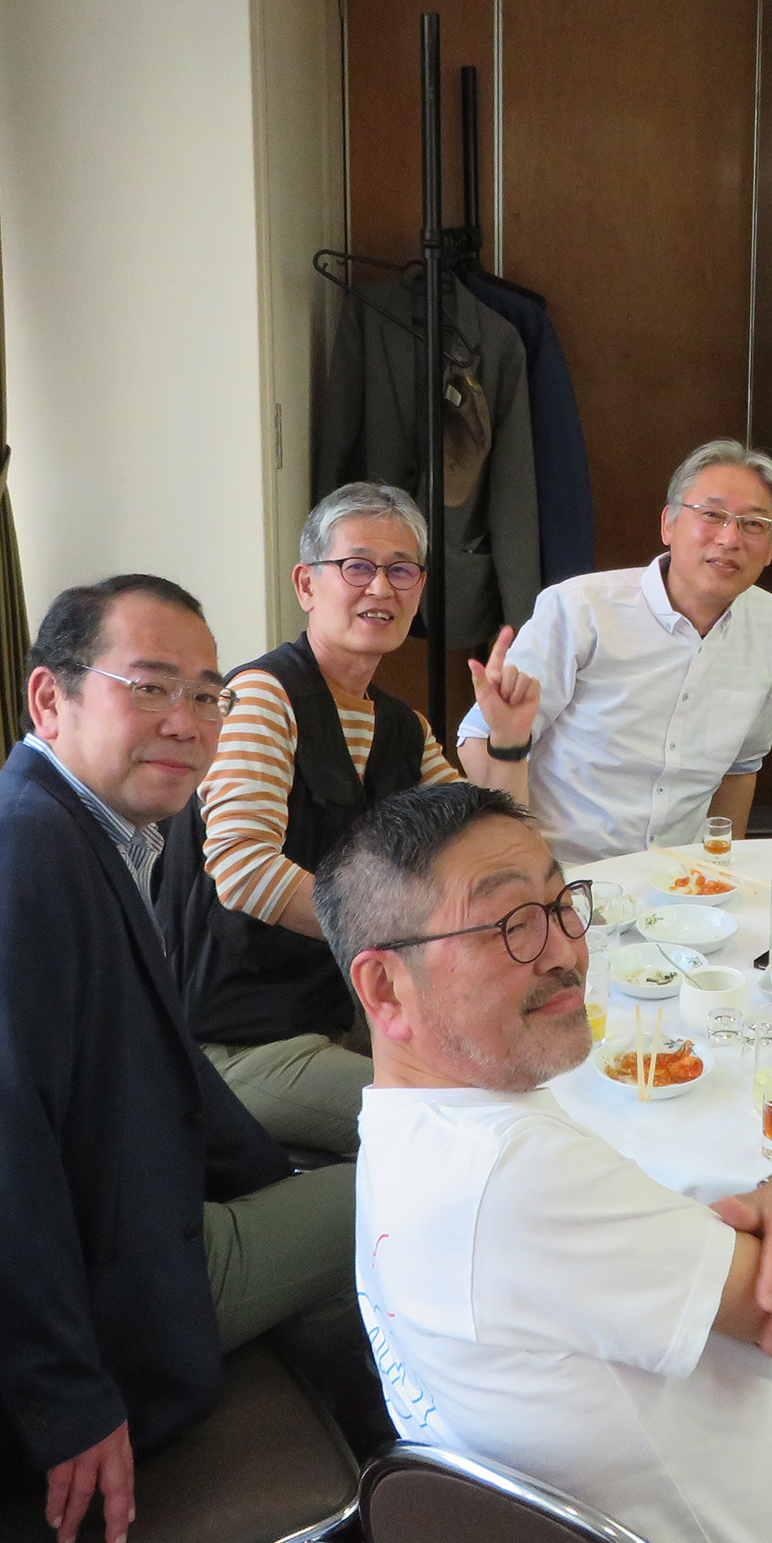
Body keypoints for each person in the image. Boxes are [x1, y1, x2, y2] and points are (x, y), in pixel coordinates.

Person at [320, 784, 772, 1543]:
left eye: (561, 904)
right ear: (385, 989)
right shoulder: (511, 1175)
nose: (564, 951)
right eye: (512, 925)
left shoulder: (397, 1127)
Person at [0, 577, 360, 1543]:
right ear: (51, 699)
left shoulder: (86, 829)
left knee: (324, 1189)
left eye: (206, 695)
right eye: (149, 687)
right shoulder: (11, 864)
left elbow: (164, 1062)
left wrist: (264, 1179)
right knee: (386, 1202)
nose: (187, 722)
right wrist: (67, 1399)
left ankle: (327, 1426)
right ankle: (361, 1477)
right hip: (31, 1323)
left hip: (93, 1225)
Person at [167, 484, 474, 1159]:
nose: (381, 588)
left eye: (401, 570)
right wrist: (400, 935)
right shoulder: (261, 697)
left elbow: (478, 847)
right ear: (307, 585)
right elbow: (243, 869)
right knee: (450, 1129)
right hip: (241, 1040)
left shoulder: (402, 726)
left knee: (507, 1074)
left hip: (342, 1010)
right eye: (357, 566)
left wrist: (506, 744)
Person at [454, 441, 772, 861]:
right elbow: (477, 740)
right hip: (568, 872)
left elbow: (741, 769)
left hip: (680, 878)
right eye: (711, 515)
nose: (729, 538)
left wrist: (722, 873)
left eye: (753, 524)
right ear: (668, 525)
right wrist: (527, 865)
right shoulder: (580, 609)